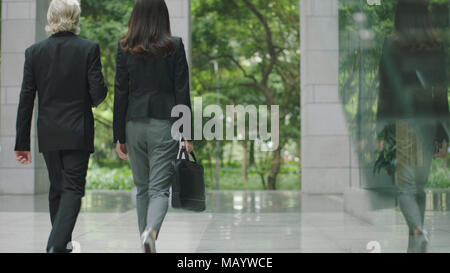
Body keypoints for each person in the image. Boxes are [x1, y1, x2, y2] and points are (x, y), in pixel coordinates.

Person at [14, 0, 108, 253]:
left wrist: (21, 143)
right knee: (72, 189)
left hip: (49, 132)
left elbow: (26, 100)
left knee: (58, 188)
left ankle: (62, 245)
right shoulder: (88, 49)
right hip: (78, 131)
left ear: (51, 17)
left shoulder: (34, 52)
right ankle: (56, 245)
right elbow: (98, 95)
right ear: (75, 17)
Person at [113, 0, 194, 253]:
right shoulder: (175, 46)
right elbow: (182, 91)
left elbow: (120, 93)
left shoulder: (125, 47)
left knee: (142, 189)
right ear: (163, 17)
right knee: (159, 189)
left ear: (135, 17)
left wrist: (118, 135)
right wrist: (187, 133)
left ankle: (146, 243)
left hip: (134, 124)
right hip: (165, 125)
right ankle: (151, 232)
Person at [377, 0, 449, 253]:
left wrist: (380, 130)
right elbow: (441, 94)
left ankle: (418, 232)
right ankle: (416, 245)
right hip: (430, 120)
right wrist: (443, 134)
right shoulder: (436, 45)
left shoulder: (391, 43)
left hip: (403, 120)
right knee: (418, 185)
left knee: (404, 187)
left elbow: (385, 90)